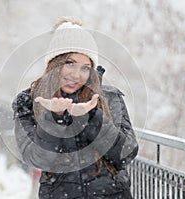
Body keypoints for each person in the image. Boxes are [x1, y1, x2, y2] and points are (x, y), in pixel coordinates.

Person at [12, 16, 138, 199]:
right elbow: (35, 158)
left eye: (85, 67)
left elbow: (126, 154)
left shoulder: (108, 98)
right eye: (69, 63)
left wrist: (91, 116)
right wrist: (54, 118)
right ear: (55, 64)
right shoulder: (30, 101)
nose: (76, 74)